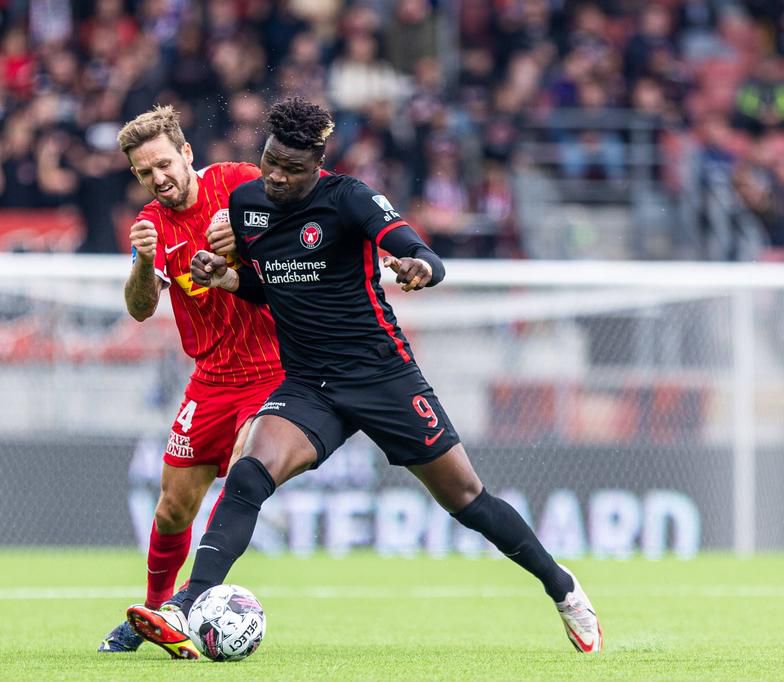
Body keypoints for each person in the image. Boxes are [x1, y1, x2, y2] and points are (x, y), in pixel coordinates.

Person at [126, 98, 603, 655]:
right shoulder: (248, 202)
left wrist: (419, 266)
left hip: (381, 377)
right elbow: (272, 283)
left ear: (317, 165)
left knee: (467, 499)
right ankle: (185, 604)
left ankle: (562, 588)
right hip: (309, 383)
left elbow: (419, 251)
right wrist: (229, 279)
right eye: (270, 161)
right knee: (249, 475)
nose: (276, 176)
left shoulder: (349, 198)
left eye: (291, 169)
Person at [98, 105, 284, 659]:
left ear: (186, 154)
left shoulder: (239, 183)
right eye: (143, 172)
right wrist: (142, 262)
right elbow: (139, 310)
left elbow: (300, 235)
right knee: (172, 508)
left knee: (247, 468)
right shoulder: (152, 225)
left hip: (276, 370)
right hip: (210, 380)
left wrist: (248, 238)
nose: (157, 178)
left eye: (163, 164)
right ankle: (157, 613)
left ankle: (187, 599)